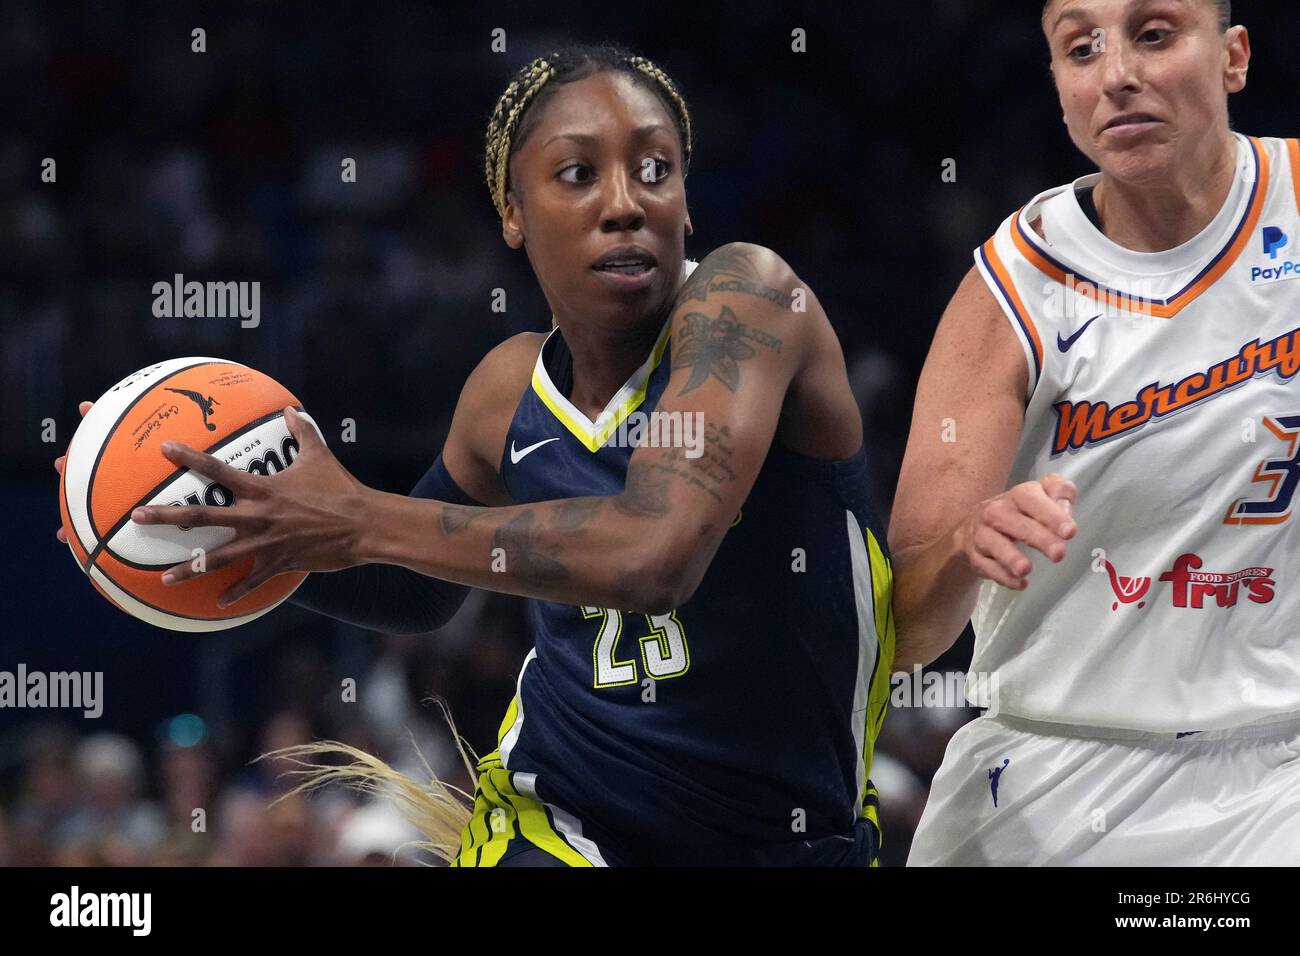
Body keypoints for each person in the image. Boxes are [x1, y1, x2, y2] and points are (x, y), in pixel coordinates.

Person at [59, 43, 893, 866]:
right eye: (577, 173)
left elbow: (655, 553)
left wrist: (355, 515)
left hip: (793, 833)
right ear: (512, 211)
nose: (625, 203)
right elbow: (416, 592)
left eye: (656, 168)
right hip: (560, 822)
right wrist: (239, 524)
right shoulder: (505, 389)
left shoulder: (748, 301)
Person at [892, 0, 1300, 864]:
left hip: (1278, 772)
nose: (1117, 73)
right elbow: (906, 631)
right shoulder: (1013, 287)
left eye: (1154, 35)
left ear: (1234, 56)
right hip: (1048, 770)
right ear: (1059, 86)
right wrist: (969, 540)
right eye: (1082, 49)